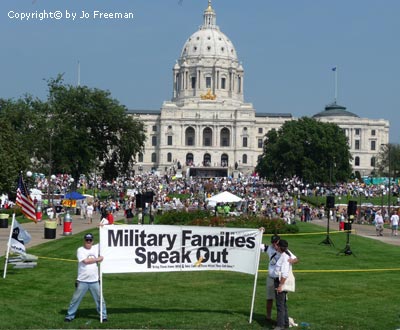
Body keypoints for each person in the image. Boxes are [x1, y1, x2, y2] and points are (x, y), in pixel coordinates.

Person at [64, 233, 107, 322]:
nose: (88, 242)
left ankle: (103, 316)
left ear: (92, 241)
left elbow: (105, 239)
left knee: (100, 300)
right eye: (87, 240)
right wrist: (98, 259)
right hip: (82, 280)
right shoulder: (80, 250)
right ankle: (69, 316)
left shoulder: (96, 247)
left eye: (90, 240)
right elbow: (86, 261)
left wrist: (103, 226)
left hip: (95, 280)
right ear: (84, 240)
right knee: (75, 300)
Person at [260, 233, 298, 324]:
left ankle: (281, 322)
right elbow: (256, 244)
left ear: (279, 242)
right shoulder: (269, 248)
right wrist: (259, 232)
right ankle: (269, 317)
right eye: (272, 242)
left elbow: (296, 259)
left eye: (276, 242)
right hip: (271, 277)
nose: (274, 244)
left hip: (280, 279)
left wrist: (292, 261)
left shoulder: (285, 252)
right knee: (270, 298)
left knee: (281, 302)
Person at [272, 239, 297, 330]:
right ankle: (285, 323)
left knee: (280, 305)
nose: (276, 246)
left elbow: (285, 274)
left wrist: (280, 286)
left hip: (280, 282)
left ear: (279, 247)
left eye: (277, 245)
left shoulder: (285, 257)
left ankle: (280, 325)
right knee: (283, 304)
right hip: (279, 281)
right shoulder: (284, 254)